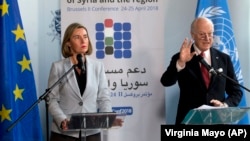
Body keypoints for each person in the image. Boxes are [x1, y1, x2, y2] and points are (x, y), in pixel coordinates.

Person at [47, 22, 123, 141]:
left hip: (91, 134)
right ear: (68, 43)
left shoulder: (98, 67)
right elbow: (51, 100)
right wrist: (62, 120)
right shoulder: (58, 67)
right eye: (77, 37)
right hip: (64, 134)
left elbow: (104, 98)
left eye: (85, 36)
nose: (83, 41)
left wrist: (107, 117)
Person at [160, 17, 243, 125]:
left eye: (210, 34)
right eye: (202, 34)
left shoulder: (224, 59)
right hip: (189, 123)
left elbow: (236, 91)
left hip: (217, 123)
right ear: (193, 34)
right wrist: (181, 63)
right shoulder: (181, 57)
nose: (207, 38)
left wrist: (224, 105)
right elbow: (166, 81)